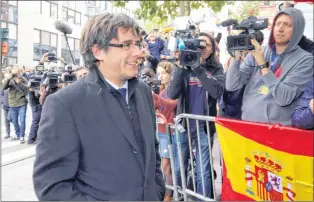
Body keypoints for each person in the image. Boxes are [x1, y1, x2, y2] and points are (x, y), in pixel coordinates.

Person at [33, 13, 165, 201]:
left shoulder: (143, 91)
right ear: (98, 51)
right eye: (126, 45)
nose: (138, 52)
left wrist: (157, 189)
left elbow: (152, 152)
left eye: (138, 44)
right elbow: (52, 188)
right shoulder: (65, 104)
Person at [225, 8, 313, 126]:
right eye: (278, 24)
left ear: (297, 29)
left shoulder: (305, 60)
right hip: (248, 125)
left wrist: (262, 64)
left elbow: (284, 98)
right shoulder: (260, 51)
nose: (280, 29)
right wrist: (236, 59)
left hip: (277, 133)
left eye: (287, 25)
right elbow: (232, 85)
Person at [167, 32, 225, 198]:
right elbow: (172, 94)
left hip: (204, 127)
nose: (203, 48)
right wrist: (179, 66)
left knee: (203, 171)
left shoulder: (216, 68)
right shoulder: (184, 65)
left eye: (207, 45)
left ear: (213, 48)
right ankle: (178, 197)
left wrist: (198, 68)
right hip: (183, 125)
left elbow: (216, 91)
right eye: (200, 44)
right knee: (178, 169)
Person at [152, 61, 178, 201]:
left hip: (171, 132)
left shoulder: (174, 90)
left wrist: (157, 99)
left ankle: (168, 195)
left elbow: (172, 104)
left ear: (170, 74)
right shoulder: (162, 91)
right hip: (161, 131)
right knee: (164, 165)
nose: (160, 76)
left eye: (163, 73)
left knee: (166, 165)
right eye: (159, 73)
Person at [2, 67, 29, 143]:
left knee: (22, 120)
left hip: (22, 103)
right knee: (14, 121)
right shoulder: (9, 80)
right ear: (11, 71)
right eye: (14, 70)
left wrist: (19, 83)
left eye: (17, 70)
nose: (16, 71)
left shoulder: (23, 78)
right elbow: (3, 88)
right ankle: (18, 134)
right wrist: (8, 79)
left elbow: (27, 89)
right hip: (12, 103)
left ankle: (21, 136)